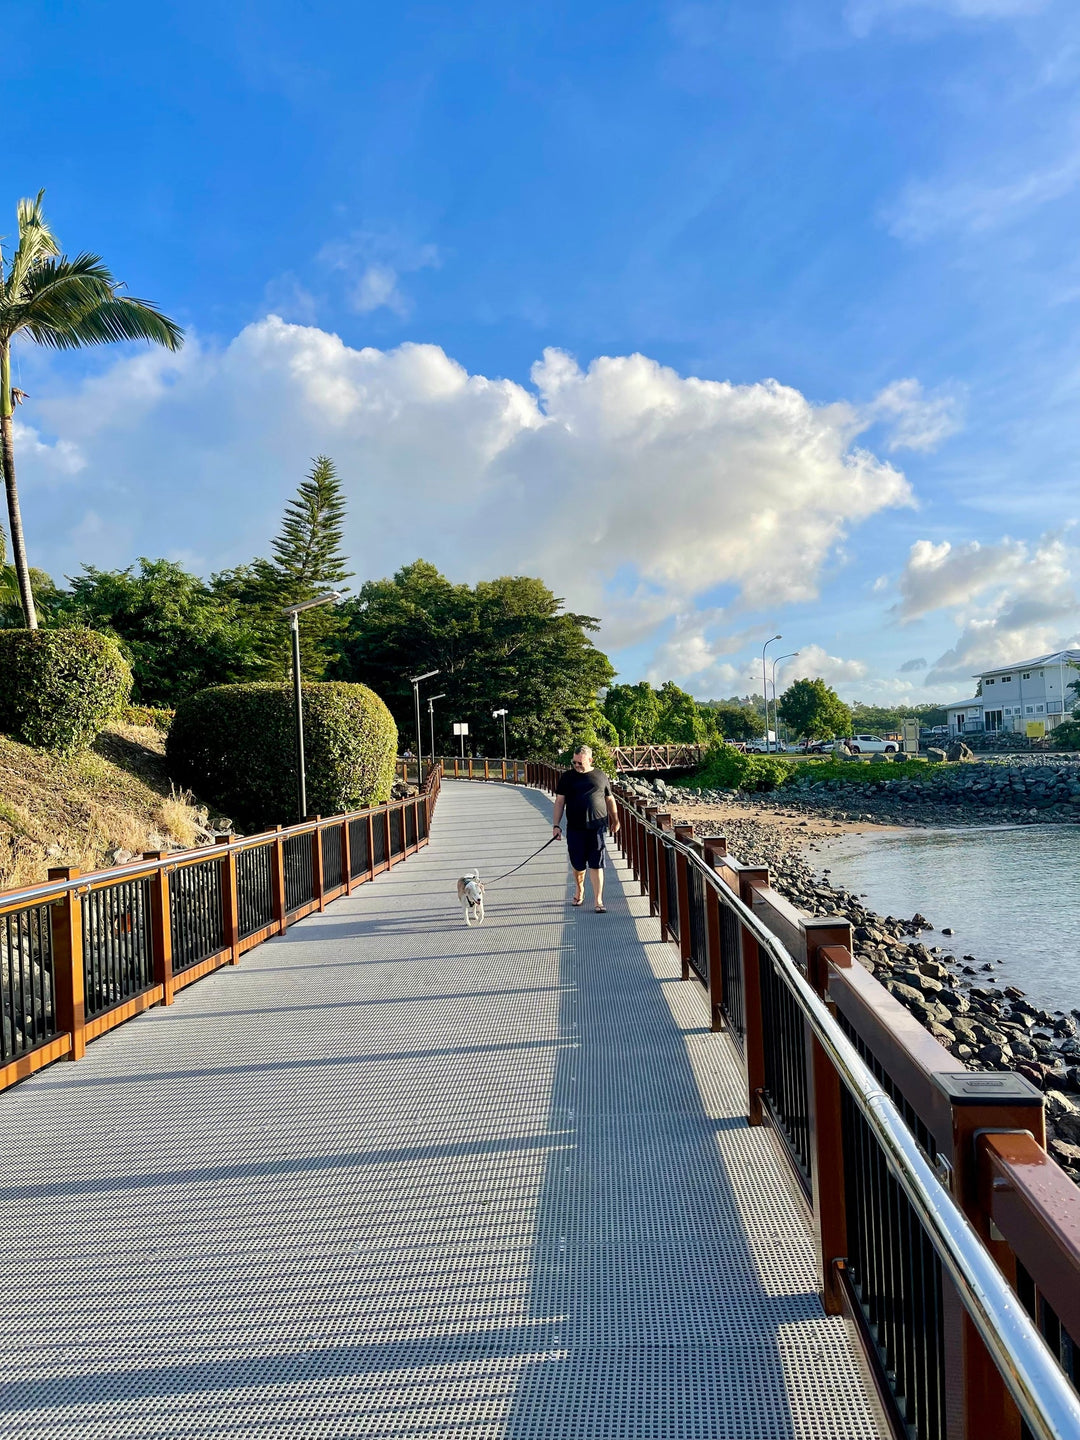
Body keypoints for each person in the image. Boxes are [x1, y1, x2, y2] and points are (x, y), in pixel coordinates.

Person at [552, 744, 619, 912]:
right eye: (574, 762)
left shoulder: (600, 775)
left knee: (596, 864)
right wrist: (556, 825)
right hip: (575, 827)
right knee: (578, 864)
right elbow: (560, 802)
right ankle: (579, 889)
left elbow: (610, 799)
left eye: (580, 763)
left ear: (590, 760)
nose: (576, 766)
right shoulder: (567, 777)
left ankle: (598, 900)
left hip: (597, 827)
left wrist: (615, 819)